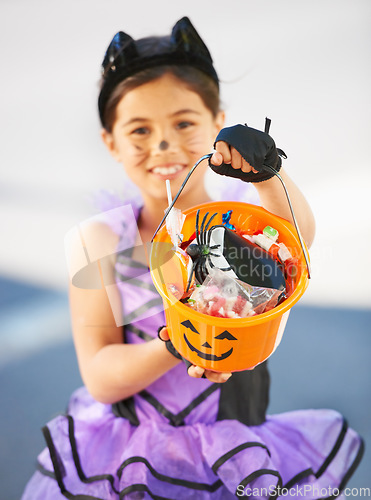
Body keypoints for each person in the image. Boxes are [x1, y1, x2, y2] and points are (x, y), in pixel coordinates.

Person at [22, 17, 363, 500]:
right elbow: (99, 374)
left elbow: (296, 240)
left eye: (184, 123)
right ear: (111, 143)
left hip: (234, 451)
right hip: (128, 457)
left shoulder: (241, 222)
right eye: (139, 130)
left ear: (216, 123)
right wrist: (180, 343)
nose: (164, 145)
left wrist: (266, 176)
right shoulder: (100, 241)